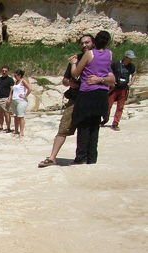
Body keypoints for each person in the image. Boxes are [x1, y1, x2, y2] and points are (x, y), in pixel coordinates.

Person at [38, 34, 115, 168]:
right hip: (75, 99)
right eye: (82, 43)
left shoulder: (98, 57)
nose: (84, 45)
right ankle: (52, 157)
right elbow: (66, 79)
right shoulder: (77, 58)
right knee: (64, 128)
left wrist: (98, 79)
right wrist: (70, 83)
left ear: (93, 43)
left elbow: (112, 80)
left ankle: (85, 158)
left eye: (87, 42)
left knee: (88, 127)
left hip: (88, 97)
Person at [69, 30, 113, 165]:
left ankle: (81, 157)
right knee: (95, 126)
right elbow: (110, 76)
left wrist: (73, 63)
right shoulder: (110, 54)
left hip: (87, 93)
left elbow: (76, 73)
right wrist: (100, 79)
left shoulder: (89, 54)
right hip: (102, 94)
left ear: (94, 42)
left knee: (83, 125)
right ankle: (92, 158)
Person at [107, 49, 137, 130]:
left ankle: (115, 123)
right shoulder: (115, 64)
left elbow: (134, 74)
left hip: (124, 89)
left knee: (120, 107)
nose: (131, 59)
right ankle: (105, 119)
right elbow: (108, 72)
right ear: (125, 57)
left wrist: (131, 83)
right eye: (130, 58)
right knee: (108, 105)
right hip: (114, 88)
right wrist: (111, 81)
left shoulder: (132, 66)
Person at [0, 66, 14, 132]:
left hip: (5, 98)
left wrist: (9, 98)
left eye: (5, 71)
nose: (4, 72)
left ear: (8, 72)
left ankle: (8, 128)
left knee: (7, 113)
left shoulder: (10, 79)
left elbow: (12, 89)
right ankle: (0, 127)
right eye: (3, 71)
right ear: (1, 71)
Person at [8, 69, 31, 137]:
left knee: (21, 116)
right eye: (14, 75)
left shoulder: (23, 81)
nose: (14, 77)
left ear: (19, 75)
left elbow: (30, 88)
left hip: (21, 101)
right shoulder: (16, 82)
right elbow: (12, 91)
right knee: (15, 116)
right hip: (14, 101)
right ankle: (16, 130)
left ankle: (21, 131)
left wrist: (25, 95)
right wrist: (10, 98)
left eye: (16, 75)